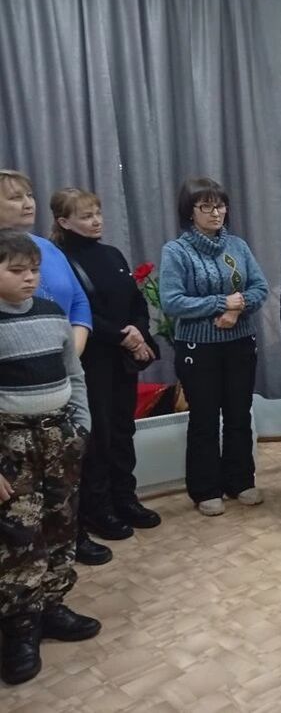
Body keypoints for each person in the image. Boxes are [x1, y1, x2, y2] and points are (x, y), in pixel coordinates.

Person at [0, 231, 100, 685]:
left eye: (34, 270)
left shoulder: (51, 313)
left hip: (59, 436)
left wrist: (82, 425)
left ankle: (53, 606)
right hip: (11, 445)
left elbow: (73, 373)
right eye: (16, 270)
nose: (29, 278)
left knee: (62, 523)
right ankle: (20, 627)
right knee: (20, 536)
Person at [0, 170, 108, 565]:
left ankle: (70, 546)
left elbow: (78, 302)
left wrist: (67, 352)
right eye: (15, 197)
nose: (28, 203)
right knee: (20, 523)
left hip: (60, 377)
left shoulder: (47, 248)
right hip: (13, 419)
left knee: (62, 495)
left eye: (29, 194)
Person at [51, 188, 162, 551]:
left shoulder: (112, 253)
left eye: (97, 213)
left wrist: (138, 331)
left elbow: (136, 301)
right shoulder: (60, 259)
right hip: (92, 358)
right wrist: (122, 336)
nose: (96, 221)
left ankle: (125, 498)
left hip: (123, 359)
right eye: (86, 216)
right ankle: (98, 509)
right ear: (64, 222)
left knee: (122, 429)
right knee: (98, 435)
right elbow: (75, 312)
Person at [159, 177, 268, 517]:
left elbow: (260, 287)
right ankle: (206, 488)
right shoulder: (176, 251)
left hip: (240, 344)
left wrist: (236, 310)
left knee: (239, 415)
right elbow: (172, 301)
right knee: (204, 419)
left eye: (219, 205)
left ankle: (240, 481)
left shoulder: (238, 246)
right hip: (198, 348)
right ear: (190, 212)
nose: (215, 213)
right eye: (205, 206)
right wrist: (221, 303)